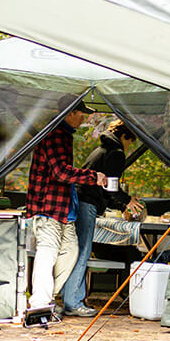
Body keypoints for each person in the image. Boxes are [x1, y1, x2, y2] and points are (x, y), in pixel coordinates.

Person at [26, 96, 106, 315]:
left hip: (64, 210)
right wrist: (93, 176)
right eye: (81, 113)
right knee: (48, 253)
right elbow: (60, 172)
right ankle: (40, 305)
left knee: (71, 252)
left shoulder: (64, 135)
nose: (84, 117)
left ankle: (47, 299)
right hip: (48, 208)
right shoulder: (54, 135)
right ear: (70, 113)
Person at [61, 120, 143, 316]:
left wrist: (120, 203)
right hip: (87, 204)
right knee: (82, 253)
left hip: (80, 201)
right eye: (130, 142)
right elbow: (111, 187)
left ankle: (70, 297)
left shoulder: (102, 149)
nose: (129, 146)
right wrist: (127, 201)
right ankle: (74, 302)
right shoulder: (116, 153)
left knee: (77, 251)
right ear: (124, 136)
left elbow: (105, 189)